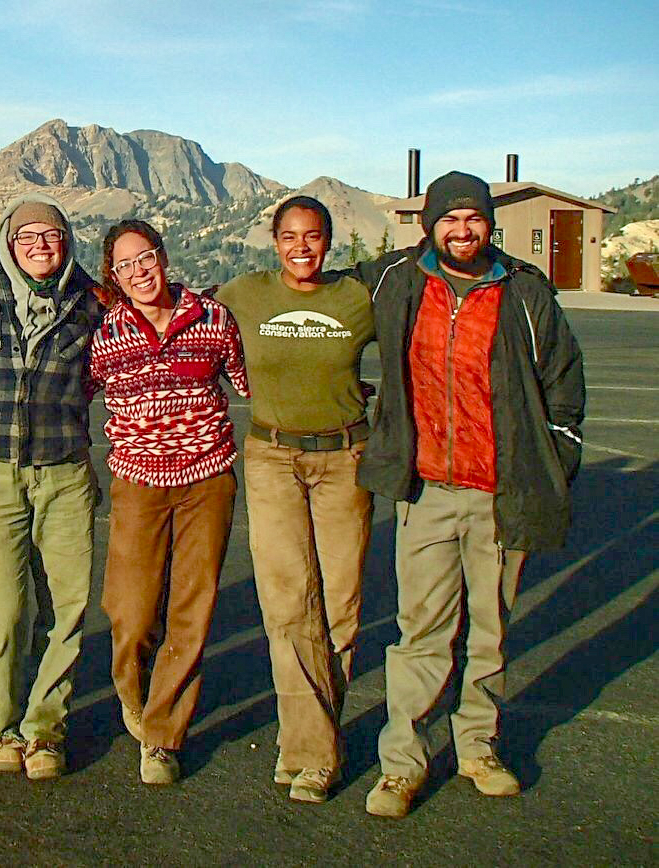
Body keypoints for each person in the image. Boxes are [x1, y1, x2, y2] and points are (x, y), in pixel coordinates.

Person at [354, 171, 585, 818]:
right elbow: (318, 294)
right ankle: (402, 764)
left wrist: (554, 461)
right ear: (430, 224)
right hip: (425, 488)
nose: (462, 231)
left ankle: (479, 747)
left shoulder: (524, 292)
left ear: (489, 224)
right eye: (450, 219)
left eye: (473, 220)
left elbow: (564, 380)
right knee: (420, 632)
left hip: (500, 490)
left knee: (490, 630)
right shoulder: (397, 280)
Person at [216, 196, 375, 803]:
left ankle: (315, 737)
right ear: (273, 241)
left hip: (344, 459)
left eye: (312, 237)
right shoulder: (245, 294)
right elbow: (181, 318)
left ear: (329, 242)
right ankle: (310, 751)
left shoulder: (357, 299)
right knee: (287, 603)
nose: (301, 247)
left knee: (339, 607)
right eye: (289, 236)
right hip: (272, 457)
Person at [89, 220, 249, 784]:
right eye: (126, 264)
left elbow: (251, 383)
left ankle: (162, 735)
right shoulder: (104, 332)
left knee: (191, 608)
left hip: (208, 477)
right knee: (129, 611)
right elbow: (65, 392)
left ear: (163, 256)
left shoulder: (212, 318)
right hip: (137, 481)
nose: (140, 271)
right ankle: (134, 695)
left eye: (147, 257)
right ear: (115, 274)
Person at [0, 193, 105, 780]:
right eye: (28, 237)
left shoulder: (90, 301)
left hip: (65, 472)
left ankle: (44, 729)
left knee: (65, 608)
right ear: (8, 244)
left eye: (52, 235)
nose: (41, 246)